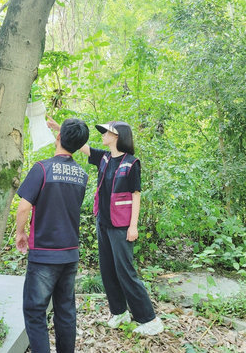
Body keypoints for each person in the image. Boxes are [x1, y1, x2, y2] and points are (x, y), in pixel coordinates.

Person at [47, 118, 164, 336]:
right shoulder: (104, 157)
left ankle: (150, 319)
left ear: (117, 136)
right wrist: (59, 128)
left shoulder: (131, 163)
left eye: (106, 132)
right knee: (108, 271)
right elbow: (83, 147)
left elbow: (136, 195)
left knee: (125, 272)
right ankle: (119, 313)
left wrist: (133, 226)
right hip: (103, 222)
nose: (103, 135)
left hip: (122, 226)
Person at [16, 118, 90, 353]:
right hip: (70, 253)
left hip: (44, 254)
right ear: (79, 146)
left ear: (58, 137)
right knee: (65, 310)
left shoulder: (42, 169)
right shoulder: (81, 175)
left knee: (35, 311)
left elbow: (24, 208)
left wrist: (20, 233)